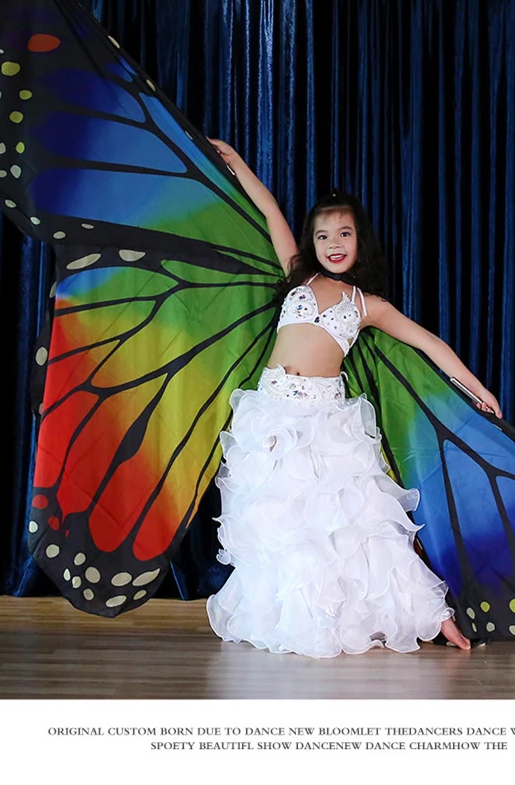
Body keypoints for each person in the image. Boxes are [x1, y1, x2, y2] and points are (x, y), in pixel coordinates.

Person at [204, 139, 500, 657]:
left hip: (326, 419)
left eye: (344, 233)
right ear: (311, 244)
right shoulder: (298, 272)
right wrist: (236, 162)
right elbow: (269, 208)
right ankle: (300, 617)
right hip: (272, 415)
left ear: (360, 240)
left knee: (363, 523)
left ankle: (435, 618)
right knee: (285, 526)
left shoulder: (369, 305)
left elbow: (430, 343)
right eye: (323, 235)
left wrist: (477, 388)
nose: (333, 242)